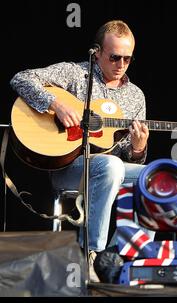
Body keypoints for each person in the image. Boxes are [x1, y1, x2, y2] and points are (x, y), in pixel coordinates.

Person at [10, 20, 150, 280]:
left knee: (155, 175)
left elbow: (129, 160)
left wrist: (139, 150)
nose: (120, 65)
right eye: (114, 57)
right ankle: (90, 254)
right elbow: (21, 78)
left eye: (127, 59)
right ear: (97, 53)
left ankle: (122, 258)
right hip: (68, 168)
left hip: (110, 170)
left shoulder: (136, 97)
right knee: (111, 166)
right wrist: (56, 104)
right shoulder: (75, 74)